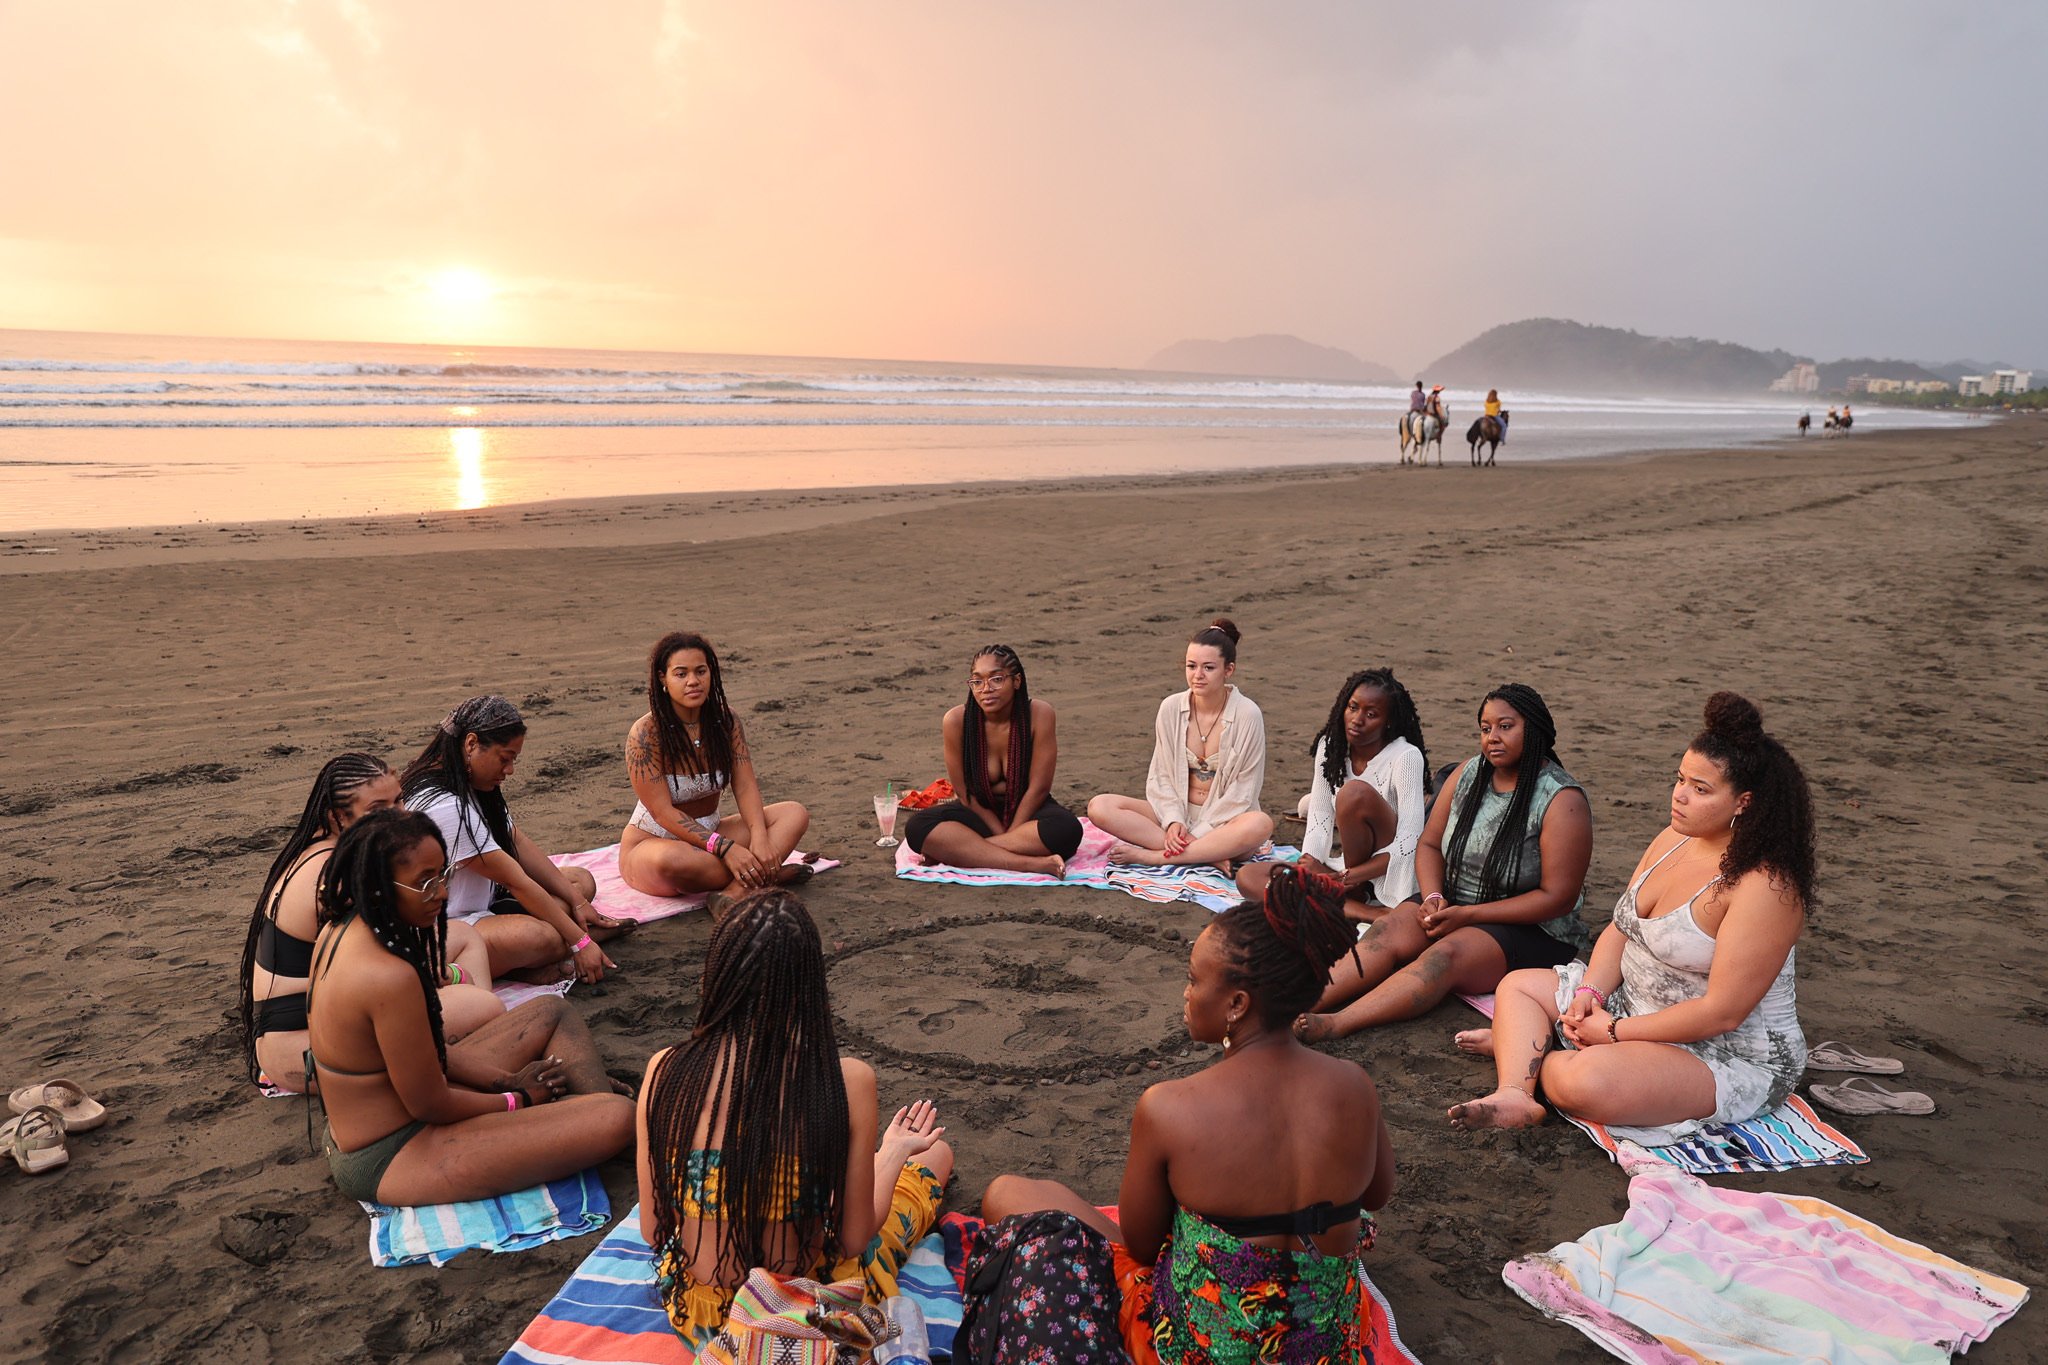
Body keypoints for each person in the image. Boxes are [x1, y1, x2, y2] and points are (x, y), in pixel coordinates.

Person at [980, 866, 1396, 1362]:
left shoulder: (1170, 1107)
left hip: (1198, 1348)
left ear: (1237, 1004)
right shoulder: (1355, 1086)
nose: (1186, 994)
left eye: (1194, 980)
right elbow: (1377, 1193)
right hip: (1327, 1348)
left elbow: (1139, 1243)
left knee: (1009, 1194)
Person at [1450, 693, 1814, 1141]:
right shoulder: (1674, 837)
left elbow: (1723, 1013)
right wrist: (1590, 992)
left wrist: (1614, 1031)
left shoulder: (1766, 888)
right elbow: (1621, 930)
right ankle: (1515, 1090)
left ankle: (1531, 1048)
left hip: (1721, 1051)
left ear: (1744, 802)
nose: (1679, 796)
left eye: (1700, 790)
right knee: (1519, 984)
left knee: (1583, 1082)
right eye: (1680, 779)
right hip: (1631, 1008)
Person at [635, 889, 953, 1349]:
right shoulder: (844, 1082)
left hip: (705, 1320)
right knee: (935, 1155)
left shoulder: (664, 1070)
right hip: (804, 1313)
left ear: (717, 977)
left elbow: (653, 1229)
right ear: (809, 987)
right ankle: (895, 1156)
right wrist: (896, 1153)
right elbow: (851, 1241)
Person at [305, 809, 635, 1205]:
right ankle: (583, 1108)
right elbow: (432, 1103)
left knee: (550, 1011)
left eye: (441, 875)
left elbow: (433, 1055)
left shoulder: (338, 929)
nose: (442, 893)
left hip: (399, 1107)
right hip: (392, 1150)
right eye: (424, 883)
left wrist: (503, 1080)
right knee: (618, 1117)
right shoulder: (388, 977)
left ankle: (577, 1103)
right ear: (378, 888)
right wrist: (519, 1100)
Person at [1295, 683, 1591, 1042]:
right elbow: (1430, 844)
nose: (1493, 738)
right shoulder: (1468, 773)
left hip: (1530, 926)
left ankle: (1340, 1022)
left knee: (1443, 956)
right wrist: (1433, 896)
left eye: (1505, 726)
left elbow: (1557, 897)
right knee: (1386, 933)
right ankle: (1301, 1005)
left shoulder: (1562, 800)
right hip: (1454, 902)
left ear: (1535, 729)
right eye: (1485, 728)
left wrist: (1469, 916)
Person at [238, 753, 500, 1094]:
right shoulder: (341, 875)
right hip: (305, 1050)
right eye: (379, 809)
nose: (398, 817)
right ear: (337, 817)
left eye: (399, 801)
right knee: (488, 1005)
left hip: (295, 1030)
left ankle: (456, 1030)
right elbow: (395, 968)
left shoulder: (323, 848)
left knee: (465, 935)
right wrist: (455, 978)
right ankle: (464, 1039)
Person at [403, 695, 623, 984]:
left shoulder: (470, 781)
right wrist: (579, 942)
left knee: (580, 883)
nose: (510, 770)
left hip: (487, 900)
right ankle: (532, 959)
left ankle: (531, 956)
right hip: (447, 925)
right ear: (470, 744)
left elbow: (515, 840)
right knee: (542, 937)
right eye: (504, 759)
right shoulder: (444, 806)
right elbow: (514, 880)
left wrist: (578, 902)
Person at [620, 632, 810, 902]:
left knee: (794, 814)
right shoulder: (645, 734)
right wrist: (726, 848)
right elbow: (662, 813)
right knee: (676, 861)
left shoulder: (725, 721)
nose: (693, 681)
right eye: (681, 674)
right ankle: (767, 874)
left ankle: (734, 892)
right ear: (663, 678)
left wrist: (759, 837)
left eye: (700, 671)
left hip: (712, 831)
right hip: (653, 844)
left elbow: (744, 786)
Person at [1236, 667, 1429, 920]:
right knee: (1247, 877)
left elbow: (1409, 844)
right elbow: (1318, 819)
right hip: (1343, 871)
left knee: (1354, 793)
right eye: (1352, 708)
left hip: (1389, 872)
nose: (1357, 719)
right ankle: (1365, 911)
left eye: (1371, 714)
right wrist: (1311, 867)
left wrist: (1349, 877)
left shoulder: (1406, 756)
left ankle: (1347, 899)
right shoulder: (1331, 746)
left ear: (1389, 721)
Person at [1088, 619, 1273, 869]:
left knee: (1260, 824)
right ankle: (1207, 855)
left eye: (1208, 667)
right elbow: (1161, 776)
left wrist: (1202, 833)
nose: (1198, 675)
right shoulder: (1170, 708)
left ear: (1228, 670)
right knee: (1100, 806)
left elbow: (1244, 791)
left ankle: (1155, 856)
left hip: (1225, 823)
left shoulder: (1247, 714)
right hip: (1175, 815)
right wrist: (1174, 821)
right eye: (1191, 666)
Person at [904, 643, 1081, 876]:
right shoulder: (956, 721)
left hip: (1027, 811)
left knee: (1067, 830)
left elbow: (1038, 788)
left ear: (1016, 681)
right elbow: (965, 793)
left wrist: (1002, 835)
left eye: (996, 679)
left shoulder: (1039, 714)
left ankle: (963, 853)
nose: (985, 689)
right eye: (977, 681)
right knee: (918, 828)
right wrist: (1003, 834)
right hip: (978, 812)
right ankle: (1033, 864)